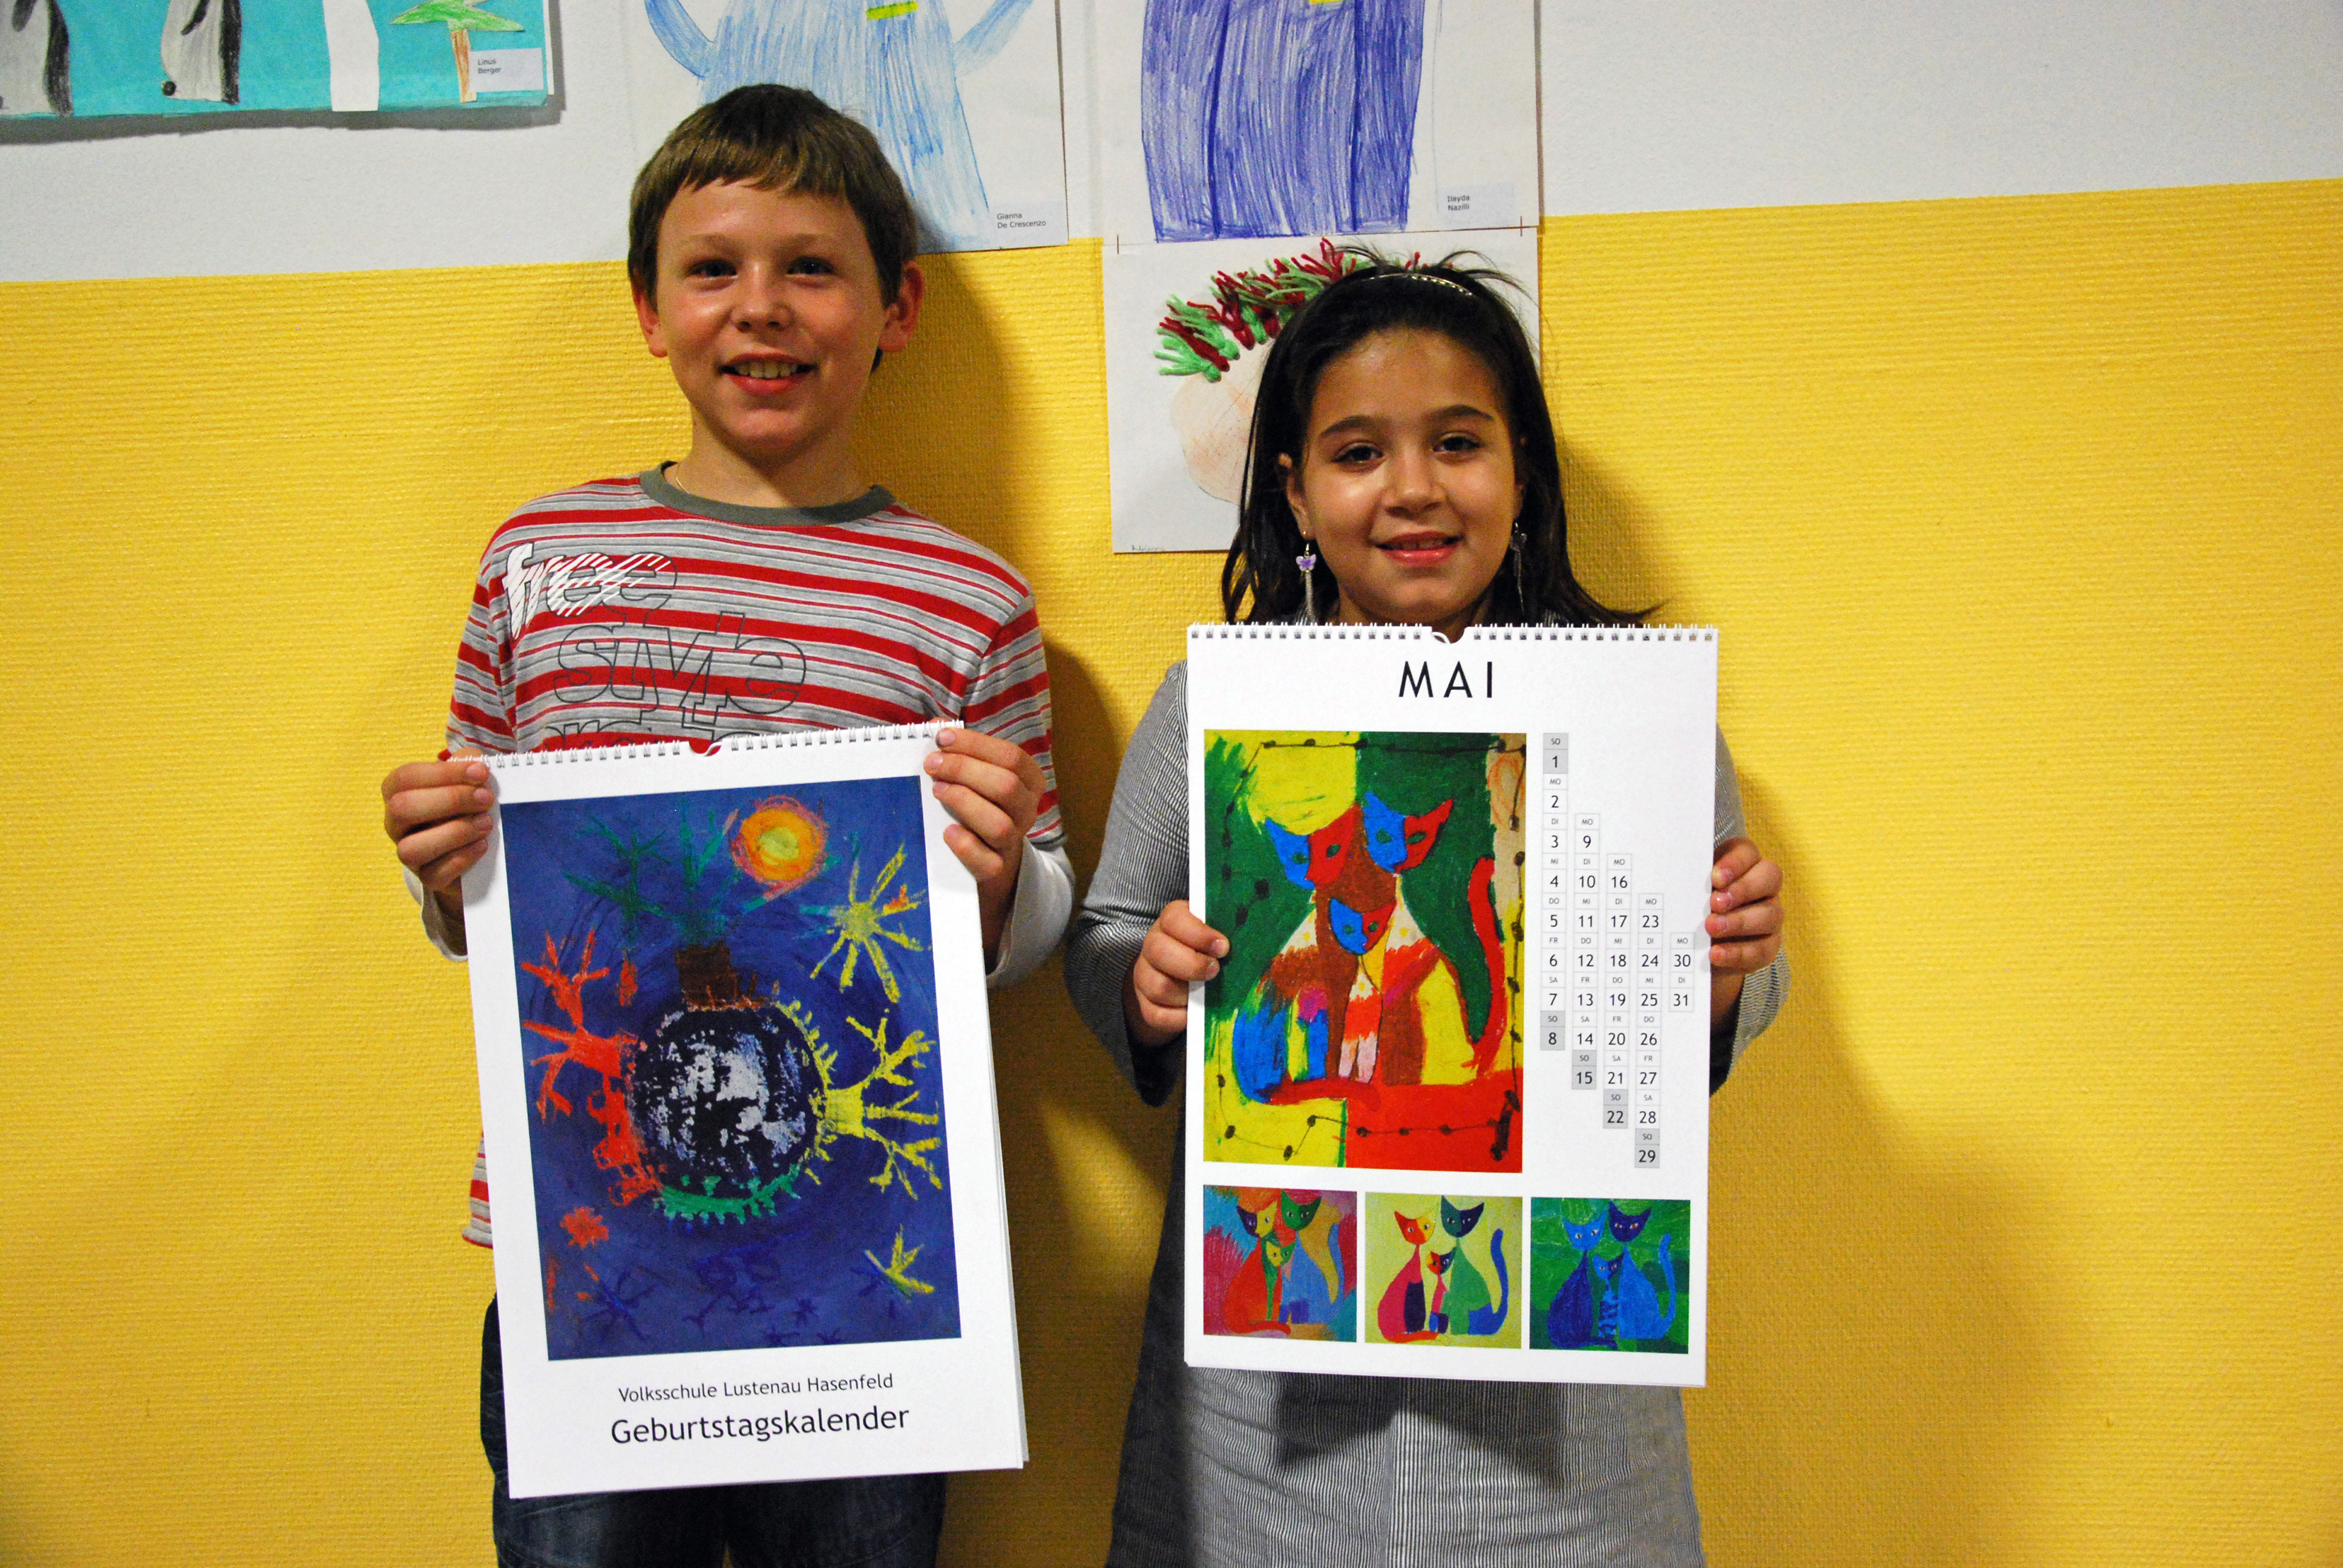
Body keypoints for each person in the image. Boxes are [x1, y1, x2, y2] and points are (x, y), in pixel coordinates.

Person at [377, 84, 1071, 1568]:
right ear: (648, 309)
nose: (761, 307)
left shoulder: (967, 600)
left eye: (812, 267)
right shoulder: (541, 560)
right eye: (712, 269)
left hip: (864, 1266)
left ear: (896, 308)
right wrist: (439, 873)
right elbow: (479, 916)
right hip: (586, 1243)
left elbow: (1021, 931)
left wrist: (1005, 874)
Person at [1063, 256, 1789, 1566]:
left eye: (1458, 443)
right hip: (1272, 1380)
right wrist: (1147, 979)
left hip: (1555, 1395)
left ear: (1523, 471)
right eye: (1358, 453)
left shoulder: (1632, 714)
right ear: (1294, 490)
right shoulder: (1218, 703)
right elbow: (1106, 932)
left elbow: (1700, 1019)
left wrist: (1727, 964)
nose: (1412, 488)